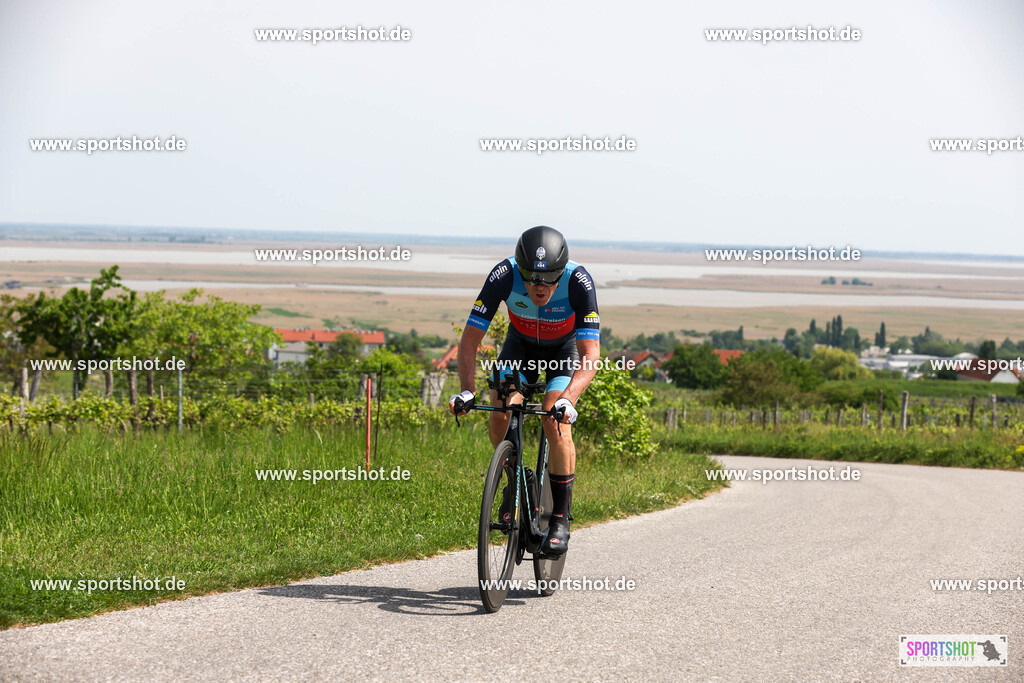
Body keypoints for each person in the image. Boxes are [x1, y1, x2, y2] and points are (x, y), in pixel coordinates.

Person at [448, 225, 600, 555]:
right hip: (520, 346)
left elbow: (590, 357)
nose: (538, 286)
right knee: (501, 408)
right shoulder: (503, 274)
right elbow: (470, 339)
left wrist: (569, 400)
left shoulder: (579, 281)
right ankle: (514, 479)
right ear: (520, 269)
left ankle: (560, 519)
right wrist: (467, 390)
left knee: (554, 420)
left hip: (564, 351)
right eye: (530, 277)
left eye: (547, 279)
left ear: (561, 273)